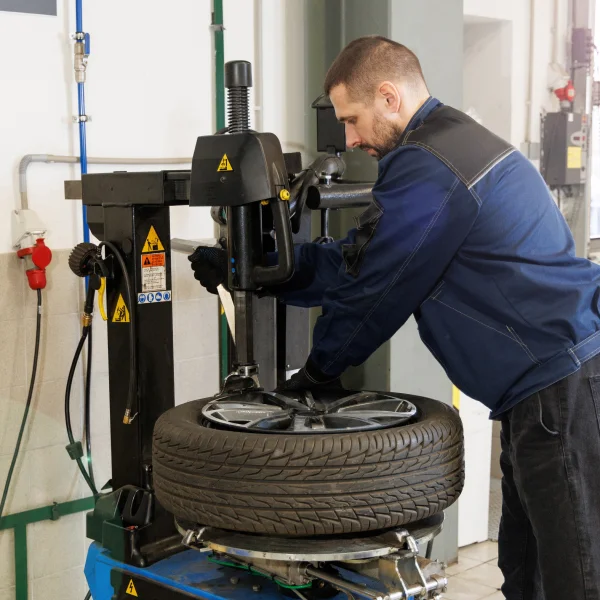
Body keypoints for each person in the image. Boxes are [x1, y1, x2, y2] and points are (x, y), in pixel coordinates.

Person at [189, 36, 600, 599]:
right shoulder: (447, 146)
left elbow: (374, 291)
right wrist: (265, 272)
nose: (351, 139)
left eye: (352, 119)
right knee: (527, 571)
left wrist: (317, 374)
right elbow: (364, 259)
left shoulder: (429, 162)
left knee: (576, 576)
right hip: (545, 388)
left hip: (562, 387)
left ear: (388, 96)